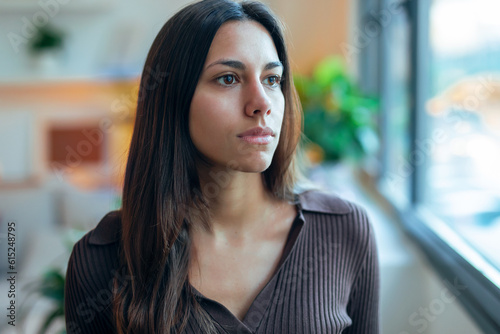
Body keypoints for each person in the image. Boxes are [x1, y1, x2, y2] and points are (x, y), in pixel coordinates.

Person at [64, 0, 380, 333]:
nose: (261, 104)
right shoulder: (102, 259)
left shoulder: (344, 231)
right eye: (228, 78)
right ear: (174, 99)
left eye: (272, 79)